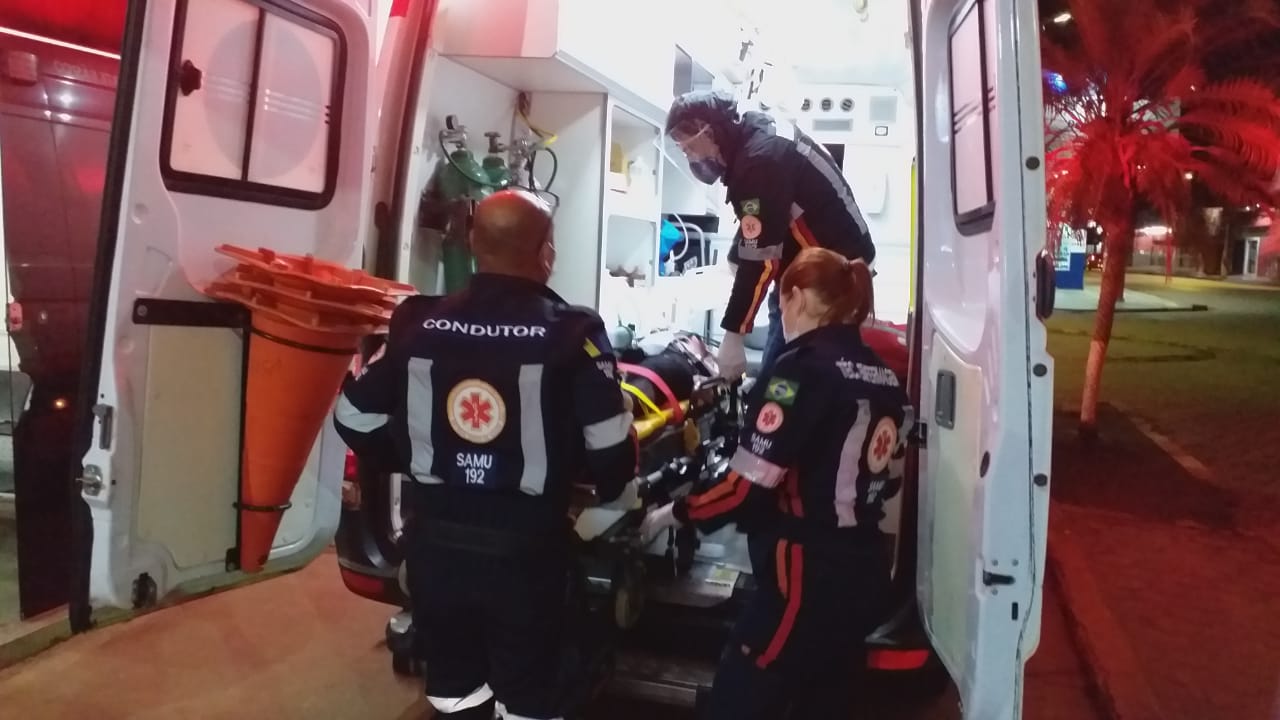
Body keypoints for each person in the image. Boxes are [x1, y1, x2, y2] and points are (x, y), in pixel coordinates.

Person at [333, 189, 639, 720]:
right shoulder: (574, 331)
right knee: (529, 696)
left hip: (434, 549)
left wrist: (419, 456)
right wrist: (597, 485)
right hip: (527, 555)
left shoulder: (416, 321)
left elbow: (353, 417)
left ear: (473, 244)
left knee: (452, 690)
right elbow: (611, 451)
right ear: (547, 253)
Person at [641, 247, 914, 719]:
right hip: (864, 568)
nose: (780, 316)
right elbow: (886, 469)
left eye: (781, 302)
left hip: (807, 574)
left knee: (744, 690)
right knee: (825, 696)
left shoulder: (800, 368)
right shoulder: (881, 373)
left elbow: (746, 486)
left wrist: (673, 514)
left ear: (798, 298)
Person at [665, 90, 877, 381]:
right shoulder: (756, 137)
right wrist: (734, 258)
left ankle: (773, 401)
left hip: (833, 279)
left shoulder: (759, 161)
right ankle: (771, 397)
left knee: (788, 375)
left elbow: (760, 259)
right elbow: (762, 216)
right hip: (821, 265)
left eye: (688, 144)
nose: (687, 153)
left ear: (710, 132)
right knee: (783, 367)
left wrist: (733, 336)